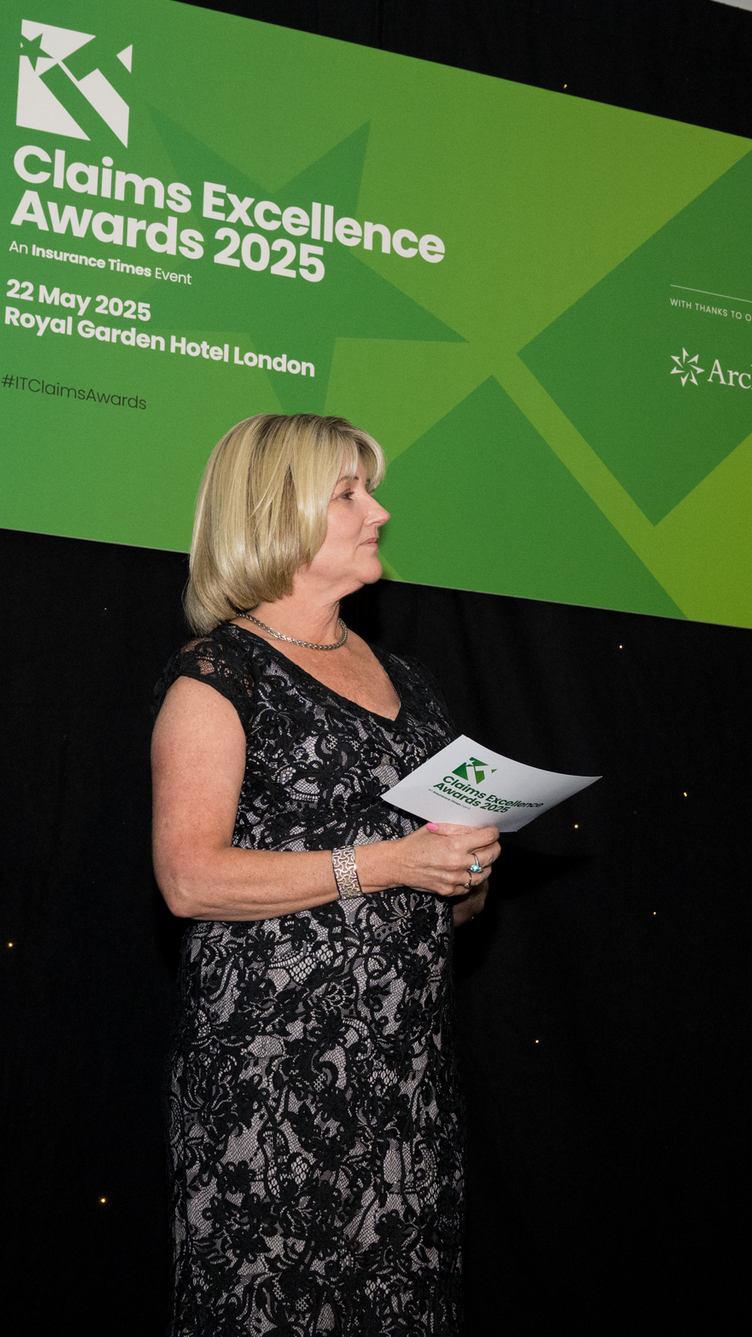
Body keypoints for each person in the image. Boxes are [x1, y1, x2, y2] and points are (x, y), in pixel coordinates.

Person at [150, 413, 499, 1334]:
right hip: (271, 1082)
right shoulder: (218, 675)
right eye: (348, 493)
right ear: (275, 513)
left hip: (407, 1083)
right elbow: (188, 878)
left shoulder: (411, 682)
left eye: (368, 490)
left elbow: (451, 904)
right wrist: (391, 861)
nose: (378, 511)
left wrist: (463, 870)